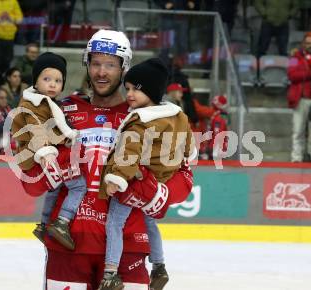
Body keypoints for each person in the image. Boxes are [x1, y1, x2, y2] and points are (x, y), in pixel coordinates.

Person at [16, 29, 194, 290]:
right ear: (87, 65)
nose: (102, 72)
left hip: (128, 250)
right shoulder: (59, 110)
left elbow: (183, 178)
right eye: (96, 63)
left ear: (124, 68)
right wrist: (57, 165)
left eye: (110, 65)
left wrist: (153, 191)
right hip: (70, 246)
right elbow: (30, 183)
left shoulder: (153, 117)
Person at [97, 58, 194, 290]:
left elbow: (129, 151)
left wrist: (116, 178)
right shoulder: (177, 115)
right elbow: (188, 146)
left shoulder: (141, 120)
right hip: (158, 185)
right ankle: (159, 266)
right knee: (150, 222)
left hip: (135, 181)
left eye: (136, 89)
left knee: (114, 222)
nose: (129, 94)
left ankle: (110, 273)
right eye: (127, 88)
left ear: (151, 90)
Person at [12, 52, 86, 250]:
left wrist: (63, 140)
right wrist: (45, 151)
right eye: (47, 79)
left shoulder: (46, 103)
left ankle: (44, 224)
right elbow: (36, 128)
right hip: (37, 155)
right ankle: (62, 221)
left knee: (56, 186)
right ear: (35, 81)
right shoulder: (34, 104)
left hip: (39, 155)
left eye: (58, 80)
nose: (53, 84)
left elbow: (51, 128)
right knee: (79, 186)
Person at [288, 34, 311, 162]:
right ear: (303, 44)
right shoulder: (294, 57)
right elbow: (291, 75)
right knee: (298, 130)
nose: (309, 45)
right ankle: (296, 158)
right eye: (307, 43)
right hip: (300, 99)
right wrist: (309, 72)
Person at [0, 0, 23, 89]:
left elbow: (20, 19)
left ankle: (3, 86)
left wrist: (9, 17)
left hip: (9, 37)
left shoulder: (13, 2)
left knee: (7, 62)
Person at [207, 95, 229, 160]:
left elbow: (218, 135)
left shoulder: (218, 117)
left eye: (213, 106)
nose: (211, 107)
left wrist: (215, 150)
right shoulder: (217, 116)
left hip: (217, 150)